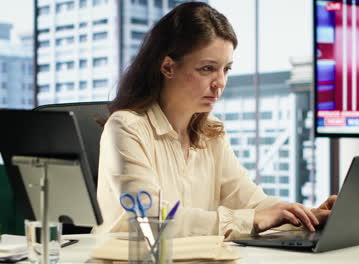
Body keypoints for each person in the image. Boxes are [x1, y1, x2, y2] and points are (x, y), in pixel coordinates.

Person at [94, 2, 336, 240]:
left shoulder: (212, 132)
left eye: (226, 69)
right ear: (168, 67)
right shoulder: (125, 128)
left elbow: (253, 202)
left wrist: (308, 215)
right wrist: (252, 219)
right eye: (207, 68)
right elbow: (151, 218)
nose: (220, 82)